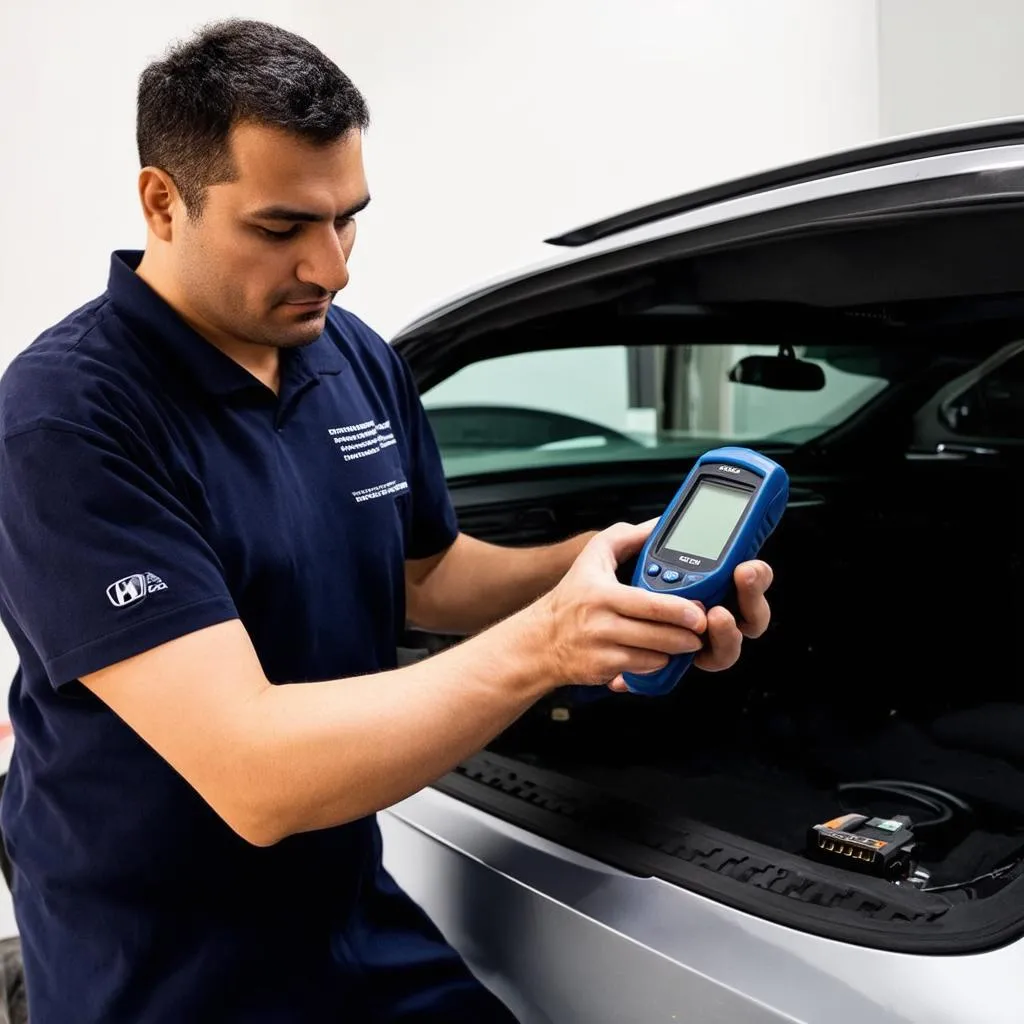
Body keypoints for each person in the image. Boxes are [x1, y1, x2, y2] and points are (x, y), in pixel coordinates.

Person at [0, 18, 775, 1024]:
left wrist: (596, 570)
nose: (332, 267)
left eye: (348, 218)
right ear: (162, 201)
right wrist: (548, 645)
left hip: (343, 904)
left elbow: (425, 574)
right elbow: (255, 772)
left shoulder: (351, 355)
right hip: (157, 954)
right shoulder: (69, 419)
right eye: (281, 228)